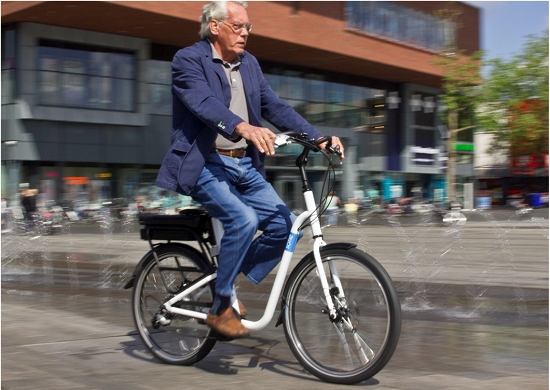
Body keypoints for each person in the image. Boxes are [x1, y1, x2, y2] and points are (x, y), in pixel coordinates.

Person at [155, 1, 345, 339]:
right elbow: (203, 103)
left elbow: (274, 105)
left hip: (244, 163)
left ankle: (223, 279)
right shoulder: (188, 60)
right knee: (243, 220)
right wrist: (242, 127)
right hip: (205, 163)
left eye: (248, 28)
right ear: (215, 26)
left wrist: (317, 137)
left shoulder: (249, 64)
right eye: (238, 26)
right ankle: (220, 306)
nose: (245, 33)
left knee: (283, 226)